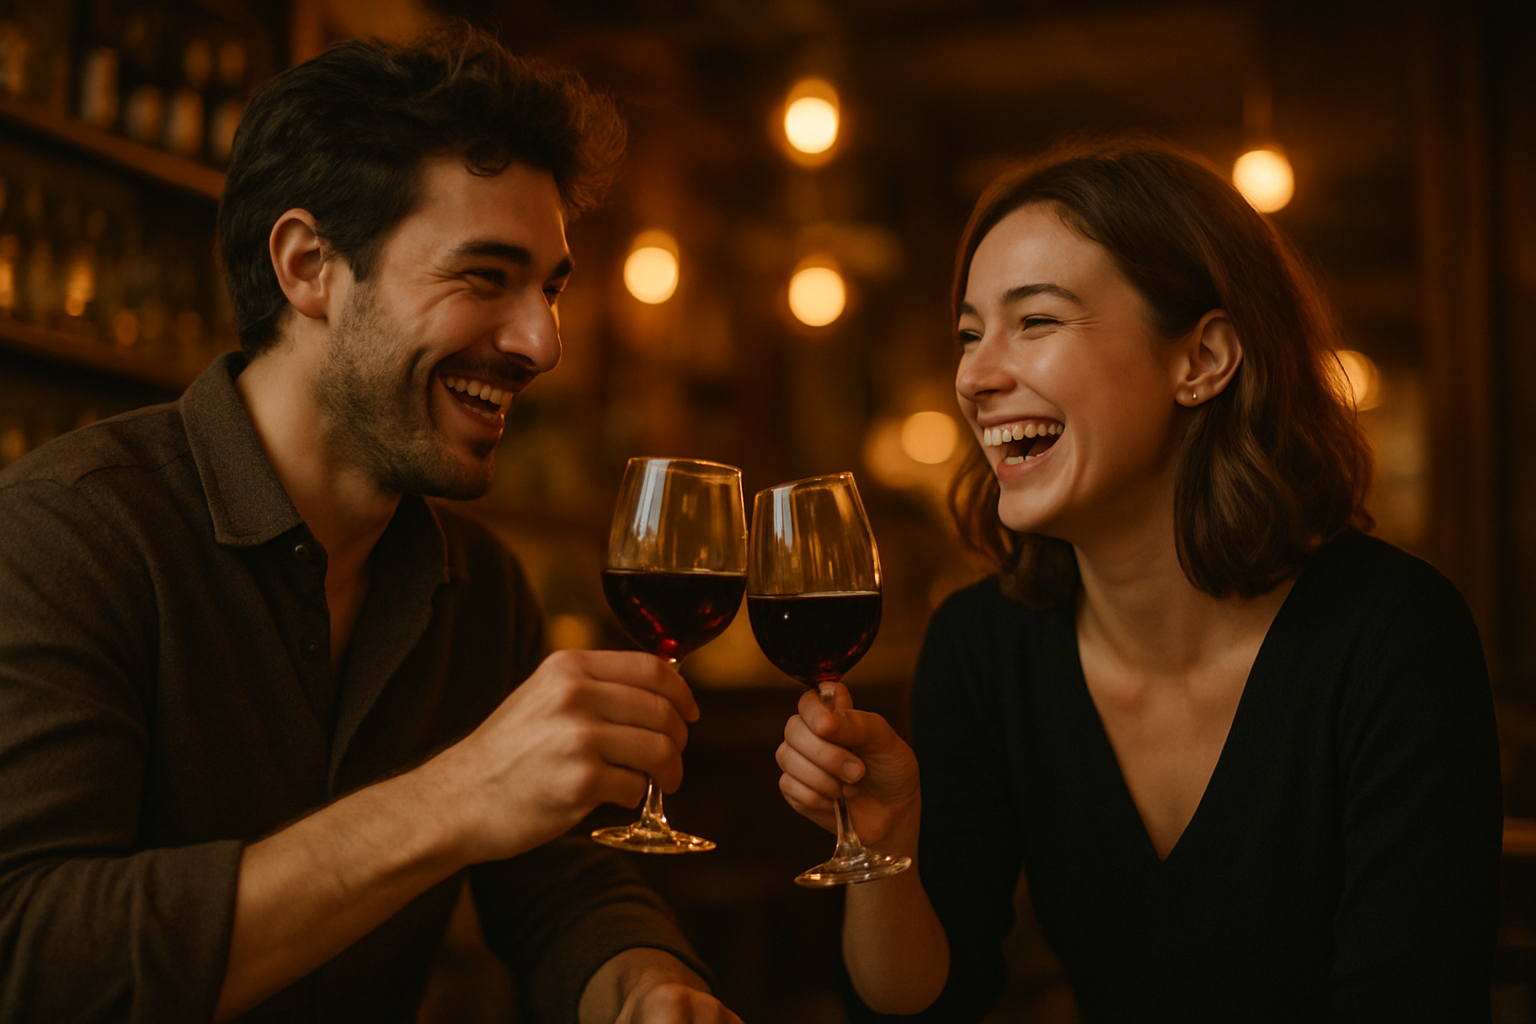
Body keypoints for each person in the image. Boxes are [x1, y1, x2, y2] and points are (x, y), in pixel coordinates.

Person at [0, 27, 742, 1024]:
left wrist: (646, 985)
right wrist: (451, 800)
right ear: (309, 267)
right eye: (487, 276)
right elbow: (31, 955)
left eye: (551, 288)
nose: (543, 341)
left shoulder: (476, 582)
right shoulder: (65, 535)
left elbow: (560, 885)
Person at [776, 140, 1503, 1022]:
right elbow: (923, 1007)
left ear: (1201, 360)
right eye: (969, 334)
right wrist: (885, 849)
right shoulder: (984, 645)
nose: (974, 376)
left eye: (1034, 322)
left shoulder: (1392, 634)